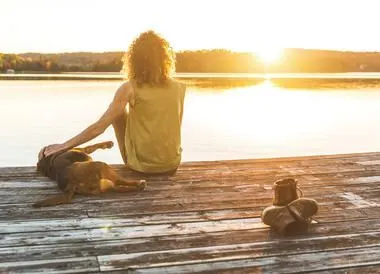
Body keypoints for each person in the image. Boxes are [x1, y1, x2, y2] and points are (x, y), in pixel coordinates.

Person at [40, 30, 186, 174]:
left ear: (135, 60)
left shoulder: (130, 88)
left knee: (118, 113)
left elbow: (99, 127)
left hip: (142, 166)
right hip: (172, 164)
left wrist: (63, 146)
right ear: (165, 59)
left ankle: (140, 156)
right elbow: (174, 126)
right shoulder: (180, 88)